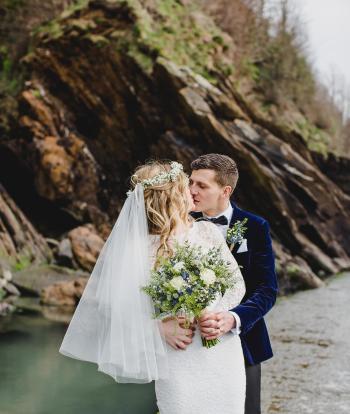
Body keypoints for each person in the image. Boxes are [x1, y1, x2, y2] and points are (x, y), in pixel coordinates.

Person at [59, 160, 246, 414]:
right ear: (171, 198)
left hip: (222, 351)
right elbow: (116, 311)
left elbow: (236, 286)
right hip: (179, 358)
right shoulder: (140, 248)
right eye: (185, 186)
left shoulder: (207, 232)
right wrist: (158, 327)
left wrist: (216, 316)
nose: (191, 191)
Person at [189, 154, 278, 414]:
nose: (192, 191)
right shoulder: (179, 225)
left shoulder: (256, 227)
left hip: (243, 341)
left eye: (202, 185)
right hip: (188, 343)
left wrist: (233, 319)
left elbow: (267, 290)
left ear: (225, 191)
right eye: (190, 182)